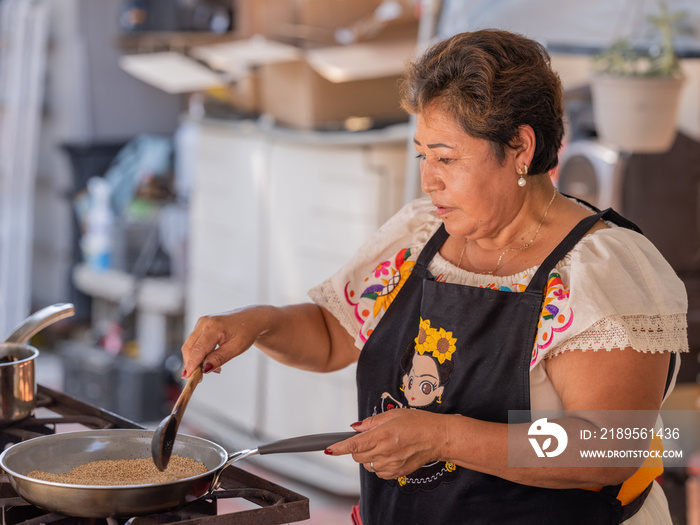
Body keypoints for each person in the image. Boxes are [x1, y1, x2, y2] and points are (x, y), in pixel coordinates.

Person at [181, 29, 688, 524]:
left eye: (447, 158)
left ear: (520, 147)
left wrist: (441, 437)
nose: (429, 179)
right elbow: (334, 336)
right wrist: (257, 323)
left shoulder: (596, 270)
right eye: (423, 155)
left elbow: (605, 447)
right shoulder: (422, 236)